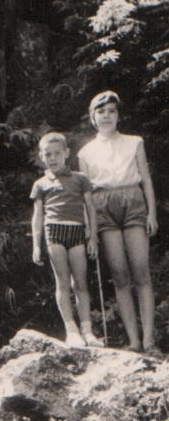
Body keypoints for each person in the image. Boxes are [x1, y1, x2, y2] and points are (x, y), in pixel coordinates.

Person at [78, 90, 160, 354]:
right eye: (101, 112)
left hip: (133, 201)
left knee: (141, 271)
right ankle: (134, 341)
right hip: (103, 207)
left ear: (118, 116)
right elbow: (85, 195)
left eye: (112, 111)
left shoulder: (134, 142)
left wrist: (151, 213)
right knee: (120, 275)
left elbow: (146, 179)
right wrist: (90, 230)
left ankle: (149, 340)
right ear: (93, 117)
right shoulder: (85, 152)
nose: (106, 116)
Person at [31, 132, 103, 347]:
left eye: (57, 153)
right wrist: (36, 245)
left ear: (67, 153)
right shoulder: (40, 184)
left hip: (77, 232)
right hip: (54, 232)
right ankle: (71, 331)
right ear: (42, 157)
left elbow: (90, 209)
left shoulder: (80, 179)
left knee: (80, 282)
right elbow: (37, 216)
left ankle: (87, 331)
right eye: (48, 154)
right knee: (62, 282)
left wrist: (93, 238)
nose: (53, 158)